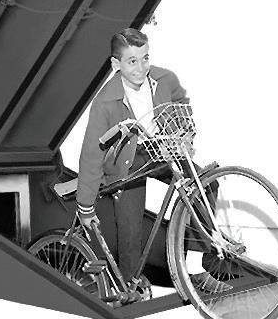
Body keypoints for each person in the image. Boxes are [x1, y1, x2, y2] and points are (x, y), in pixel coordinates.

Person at [75, 27, 228, 293]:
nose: (141, 68)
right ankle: (129, 284)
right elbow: (91, 154)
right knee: (130, 224)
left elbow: (181, 103)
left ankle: (199, 261)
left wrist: (184, 133)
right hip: (126, 162)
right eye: (132, 61)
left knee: (205, 184)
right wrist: (85, 205)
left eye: (145, 58)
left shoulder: (164, 79)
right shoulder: (105, 102)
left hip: (162, 149)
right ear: (116, 64)